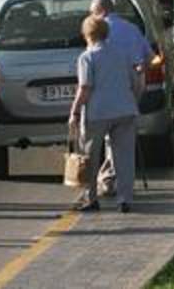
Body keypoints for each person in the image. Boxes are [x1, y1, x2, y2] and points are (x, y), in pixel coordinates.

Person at [69, 15, 141, 213]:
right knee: (125, 157)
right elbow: (135, 80)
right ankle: (125, 199)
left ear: (86, 35)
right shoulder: (122, 53)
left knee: (90, 157)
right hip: (125, 109)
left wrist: (74, 111)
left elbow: (85, 88)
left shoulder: (87, 57)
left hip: (98, 113)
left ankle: (91, 198)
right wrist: (132, 100)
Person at [88, 0, 152, 196]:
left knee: (110, 136)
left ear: (101, 12)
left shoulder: (99, 30)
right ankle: (113, 181)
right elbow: (149, 57)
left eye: (92, 13)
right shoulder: (131, 28)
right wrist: (139, 72)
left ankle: (108, 180)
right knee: (121, 137)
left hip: (109, 89)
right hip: (132, 86)